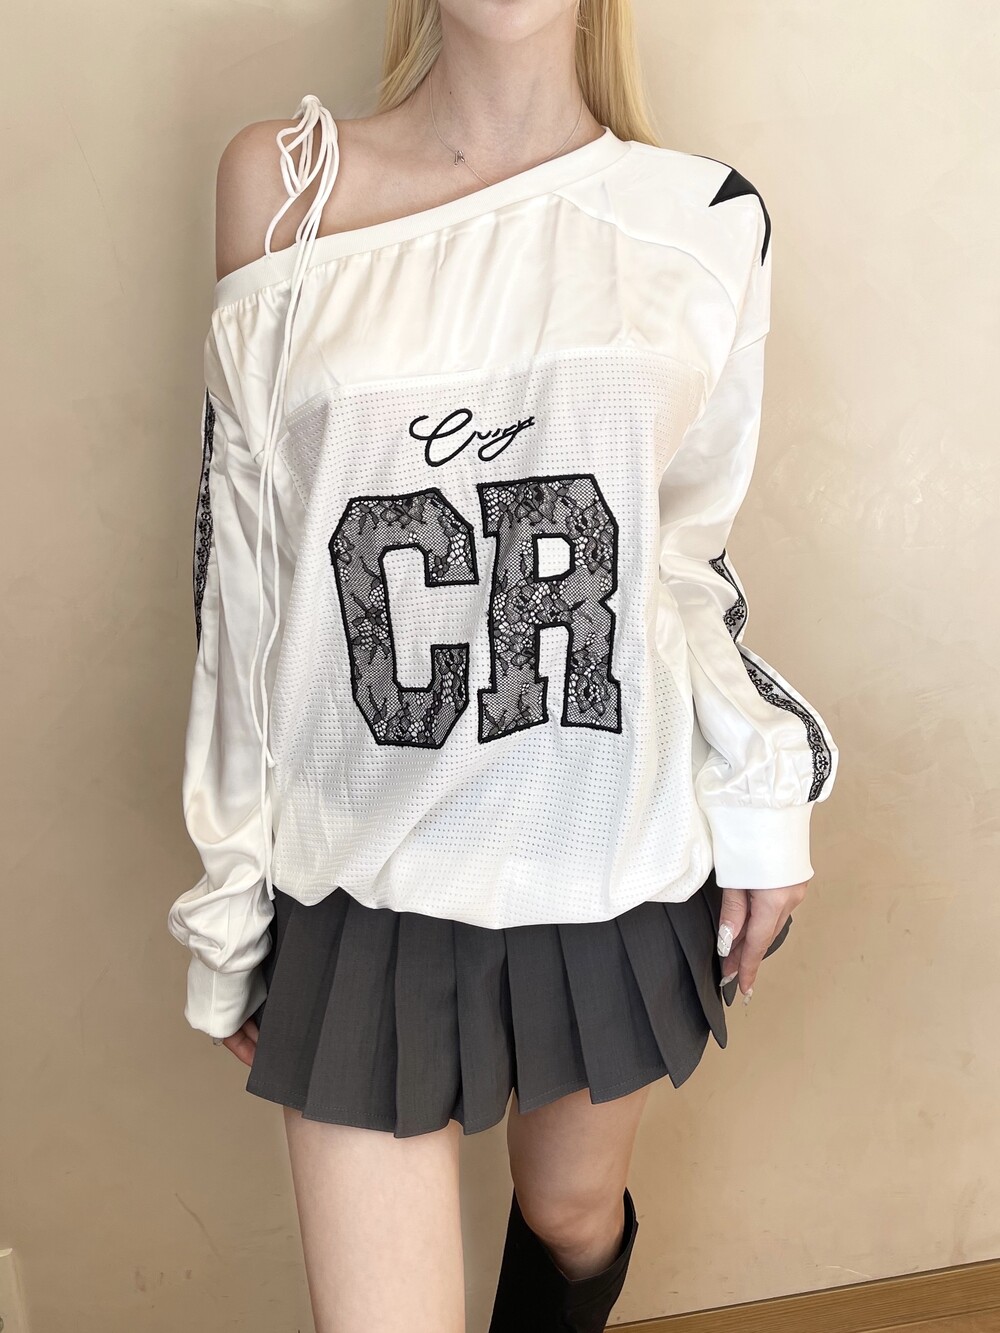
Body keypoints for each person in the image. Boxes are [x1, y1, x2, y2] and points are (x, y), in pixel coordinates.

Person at [166, 1, 839, 1329]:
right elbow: (243, 578)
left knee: (572, 1217)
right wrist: (232, 894)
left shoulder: (702, 222)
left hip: (605, 850)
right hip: (360, 870)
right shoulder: (281, 187)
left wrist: (765, 800)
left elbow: (682, 560)